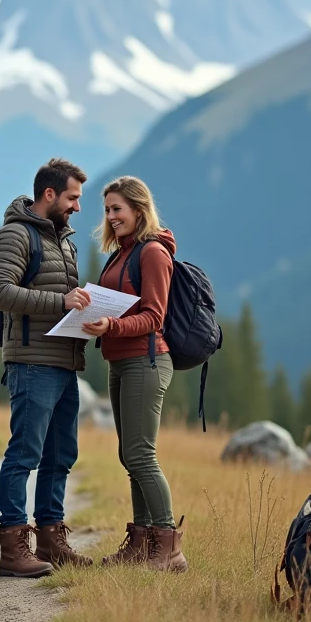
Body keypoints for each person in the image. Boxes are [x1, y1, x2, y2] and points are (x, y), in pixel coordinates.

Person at [0, 158, 94, 577]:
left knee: (60, 455)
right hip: (32, 364)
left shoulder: (64, 241)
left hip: (65, 363)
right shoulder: (15, 235)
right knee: (24, 455)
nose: (78, 207)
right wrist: (61, 302)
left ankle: (51, 541)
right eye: (73, 197)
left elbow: (60, 299)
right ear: (49, 194)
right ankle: (13, 549)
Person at [81, 175, 187, 572]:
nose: (111, 217)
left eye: (117, 209)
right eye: (107, 210)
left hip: (146, 361)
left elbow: (153, 317)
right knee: (129, 455)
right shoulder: (121, 253)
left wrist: (111, 325)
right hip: (120, 361)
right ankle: (142, 544)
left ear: (139, 210)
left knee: (141, 454)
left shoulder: (153, 253)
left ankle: (169, 549)